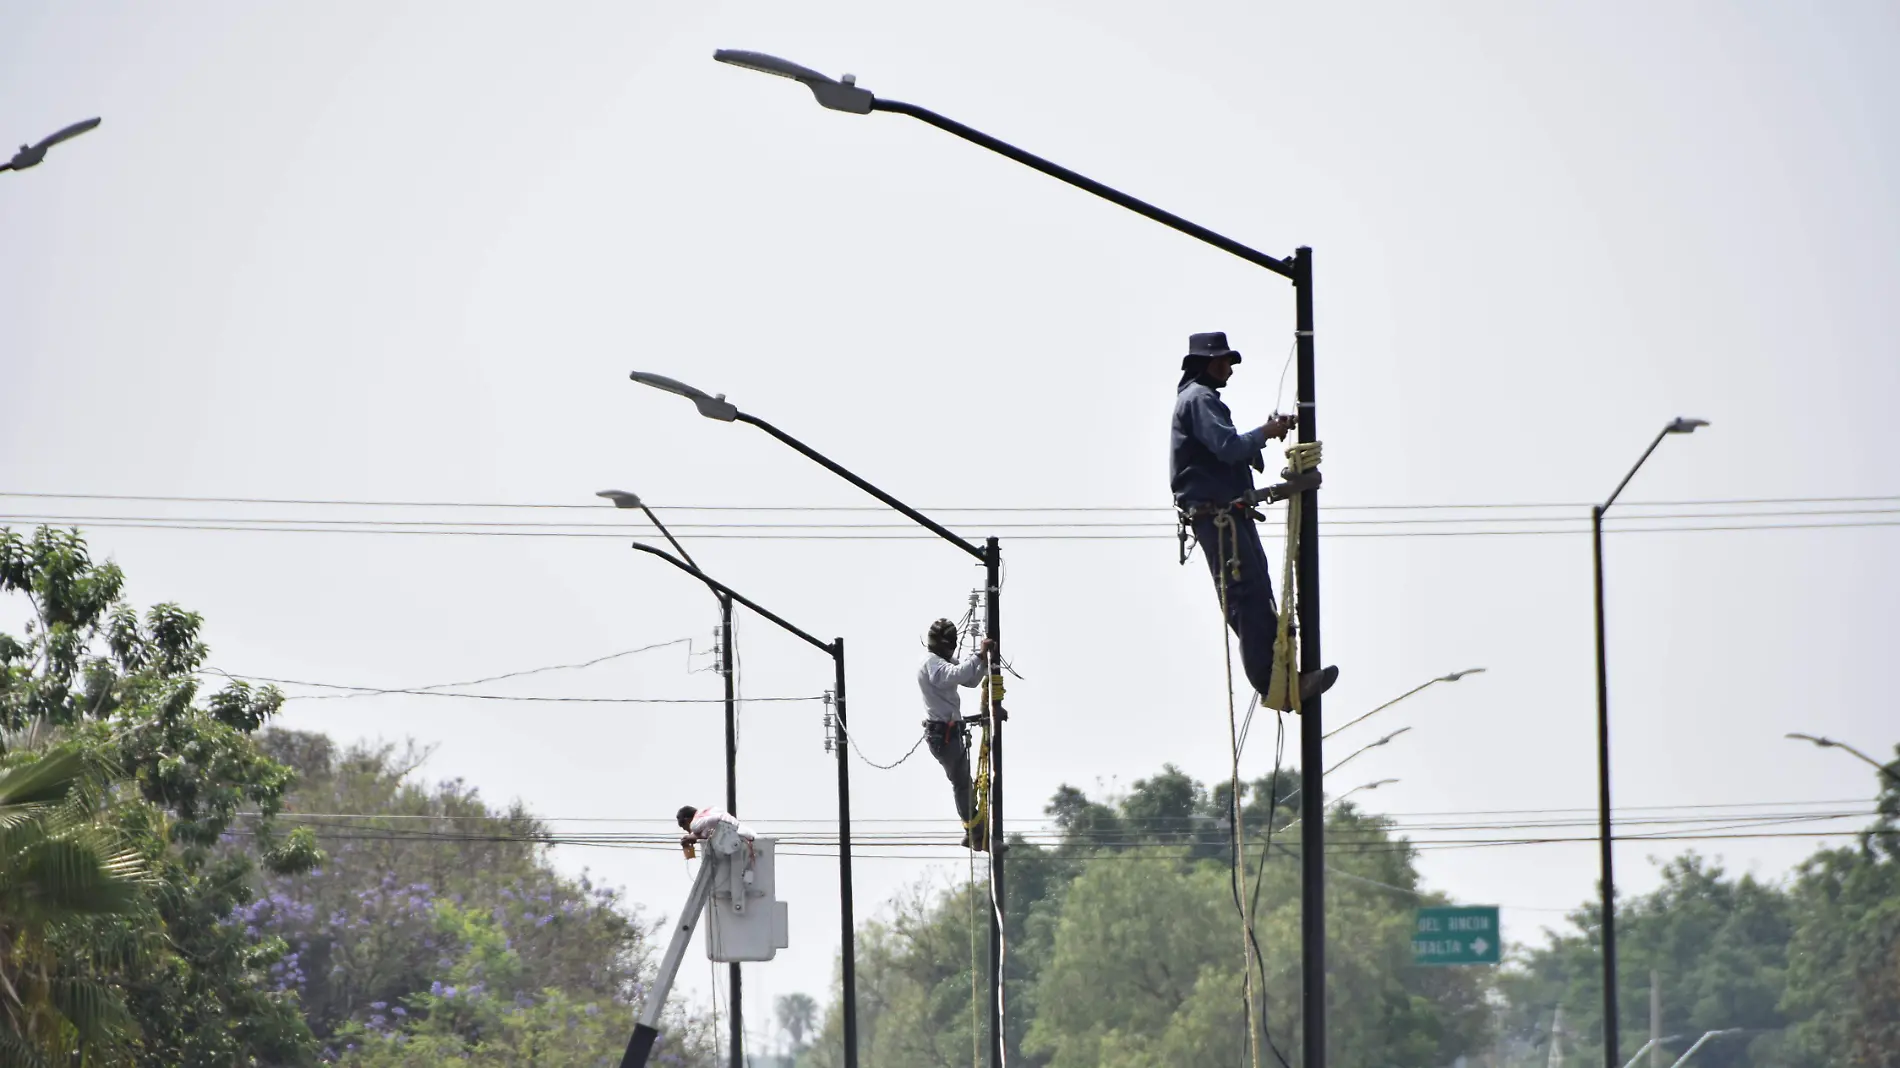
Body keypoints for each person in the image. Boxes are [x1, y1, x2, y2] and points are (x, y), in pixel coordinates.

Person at [1171, 330, 1339, 710]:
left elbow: (1225, 451)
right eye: (1225, 362)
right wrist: (1266, 432)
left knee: (1257, 596)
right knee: (1246, 598)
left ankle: (1283, 677)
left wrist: (1260, 440)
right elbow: (1228, 448)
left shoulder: (1201, 400)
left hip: (1229, 514)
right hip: (1218, 517)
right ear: (1210, 363)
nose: (1229, 369)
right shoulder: (1199, 400)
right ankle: (1273, 685)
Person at [916, 619, 993, 850]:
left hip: (949, 733)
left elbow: (969, 679)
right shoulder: (933, 664)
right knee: (961, 784)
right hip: (942, 735)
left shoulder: (941, 661)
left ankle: (974, 831)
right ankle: (975, 832)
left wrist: (985, 661)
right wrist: (979, 655)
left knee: (963, 783)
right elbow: (957, 674)